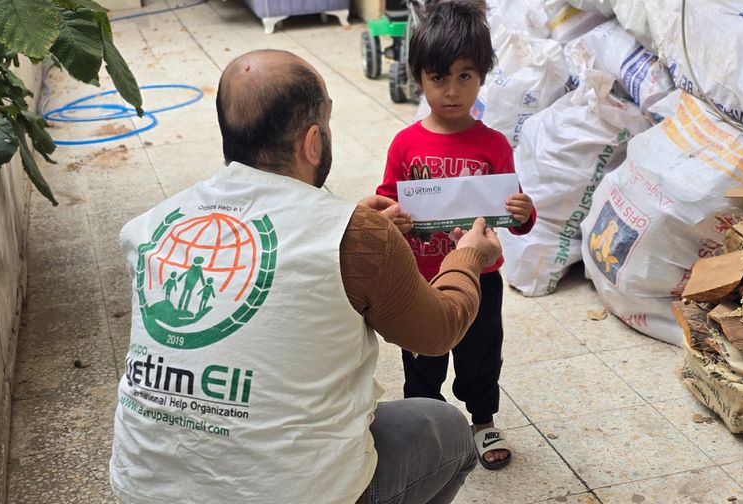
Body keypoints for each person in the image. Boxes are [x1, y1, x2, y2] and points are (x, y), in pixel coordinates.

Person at [109, 49, 503, 504]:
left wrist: (353, 223)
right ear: (312, 141)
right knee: (446, 429)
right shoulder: (358, 238)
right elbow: (438, 332)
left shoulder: (152, 225)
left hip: (141, 489)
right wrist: (468, 257)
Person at [376, 0, 536, 471]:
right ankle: (424, 426)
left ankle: (483, 421)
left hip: (481, 276)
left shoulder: (493, 145)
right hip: (417, 279)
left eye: (465, 76)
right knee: (422, 360)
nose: (451, 90)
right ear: (419, 77)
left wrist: (524, 212)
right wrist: (392, 217)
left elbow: (515, 215)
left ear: (482, 75)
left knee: (480, 355)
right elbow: (385, 201)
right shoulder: (405, 144)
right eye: (438, 77)